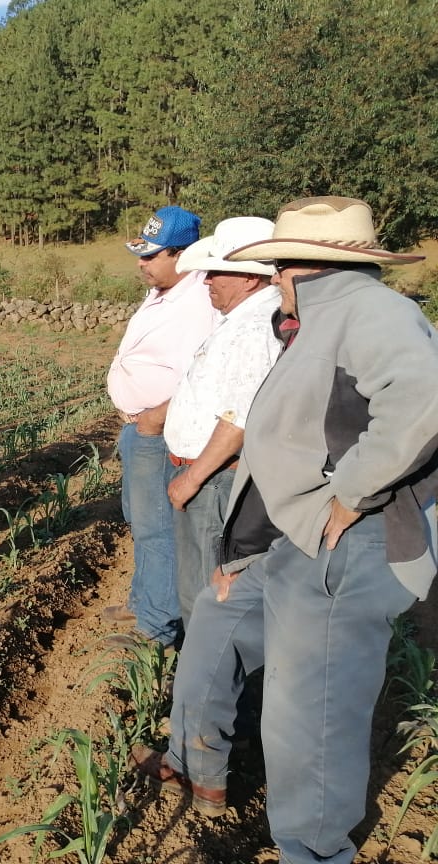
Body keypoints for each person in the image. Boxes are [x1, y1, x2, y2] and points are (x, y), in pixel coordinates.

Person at [134, 197, 438, 863]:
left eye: (277, 265)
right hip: (287, 541)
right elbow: (288, 451)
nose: (273, 277)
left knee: (310, 714)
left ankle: (313, 849)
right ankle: (198, 766)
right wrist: (241, 550)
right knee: (216, 630)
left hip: (344, 549)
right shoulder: (310, 323)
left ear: (307, 265)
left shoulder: (372, 313)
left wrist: (353, 493)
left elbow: (424, 399)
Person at [105, 206, 219, 645]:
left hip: (162, 428)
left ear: (182, 254)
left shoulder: (198, 302)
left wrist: (153, 418)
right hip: (143, 427)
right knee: (140, 518)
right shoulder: (164, 292)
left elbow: (202, 375)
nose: (142, 263)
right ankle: (143, 598)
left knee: (158, 526)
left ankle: (157, 623)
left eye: (151, 256)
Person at [162, 217, 282, 627]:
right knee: (201, 589)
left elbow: (238, 421)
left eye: (217, 271)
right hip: (211, 477)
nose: (207, 280)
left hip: (216, 482)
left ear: (250, 279)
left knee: (210, 597)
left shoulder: (253, 330)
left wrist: (192, 478)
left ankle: (207, 683)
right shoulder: (242, 322)